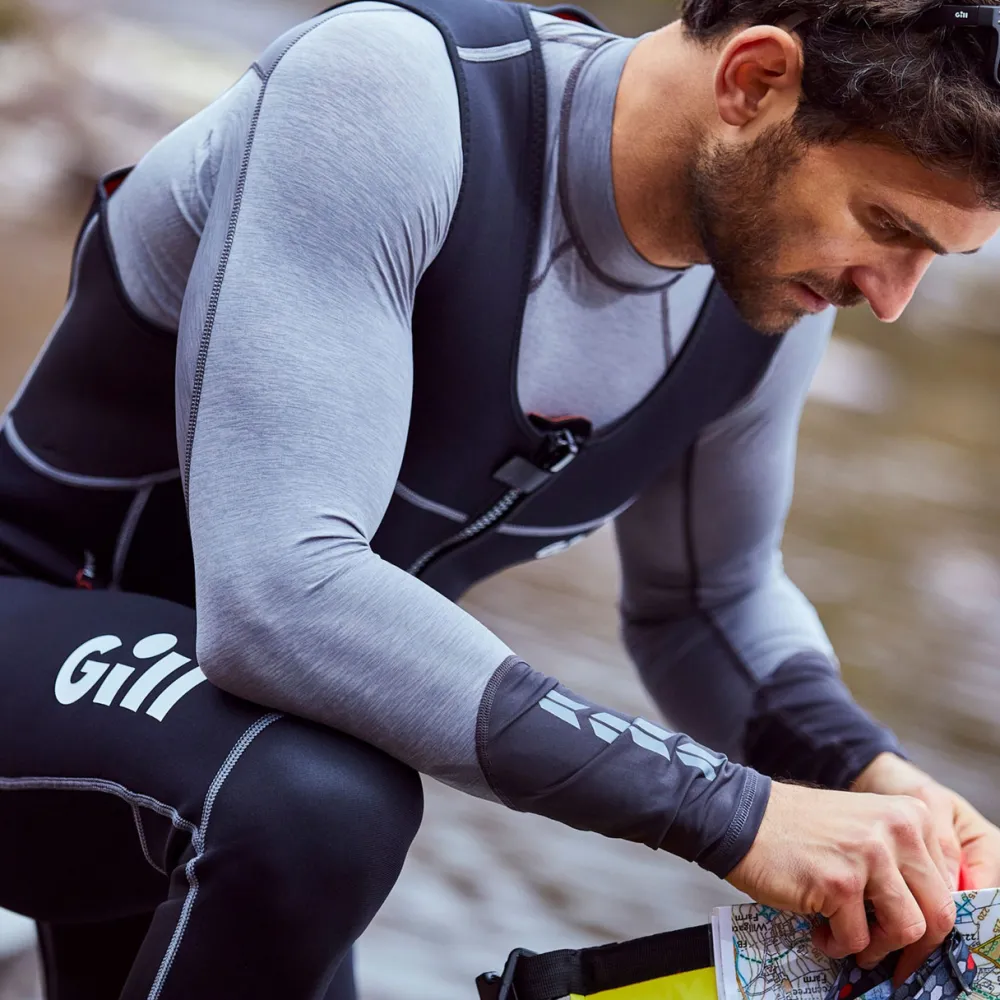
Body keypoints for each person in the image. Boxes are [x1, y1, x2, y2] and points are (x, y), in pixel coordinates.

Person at [1, 0, 999, 996]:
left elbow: (704, 604)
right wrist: (735, 813)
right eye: (886, 226)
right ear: (753, 80)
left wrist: (875, 780)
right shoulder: (390, 92)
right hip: (66, 638)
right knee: (324, 802)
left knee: (306, 794)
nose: (891, 298)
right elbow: (278, 598)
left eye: (936, 259)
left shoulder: (767, 287)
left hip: (229, 747)